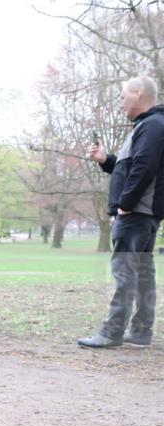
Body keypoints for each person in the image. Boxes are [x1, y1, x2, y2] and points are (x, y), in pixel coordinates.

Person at [80, 75, 164, 349]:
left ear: (138, 93)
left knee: (125, 272)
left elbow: (144, 168)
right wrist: (106, 160)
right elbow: (131, 166)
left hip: (136, 214)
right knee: (142, 271)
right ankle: (140, 331)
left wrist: (124, 205)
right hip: (144, 213)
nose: (120, 102)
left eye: (122, 95)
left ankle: (112, 332)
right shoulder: (148, 126)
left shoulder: (152, 125)